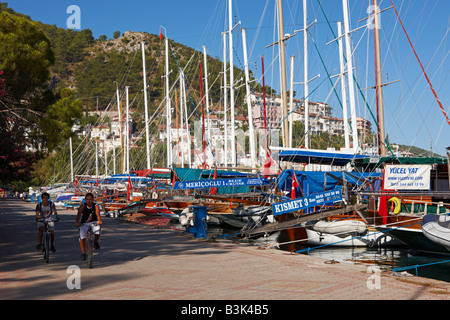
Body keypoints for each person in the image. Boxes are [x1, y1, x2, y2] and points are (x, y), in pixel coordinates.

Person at [75, 193, 102, 261]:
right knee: (82, 237)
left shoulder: (96, 206)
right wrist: (77, 221)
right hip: (84, 223)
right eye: (87, 199)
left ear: (92, 200)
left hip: (94, 222)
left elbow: (97, 213)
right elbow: (78, 214)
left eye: (90, 199)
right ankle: (83, 253)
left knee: (97, 231)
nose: (89, 201)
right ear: (85, 200)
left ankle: (96, 242)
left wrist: (99, 220)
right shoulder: (82, 206)